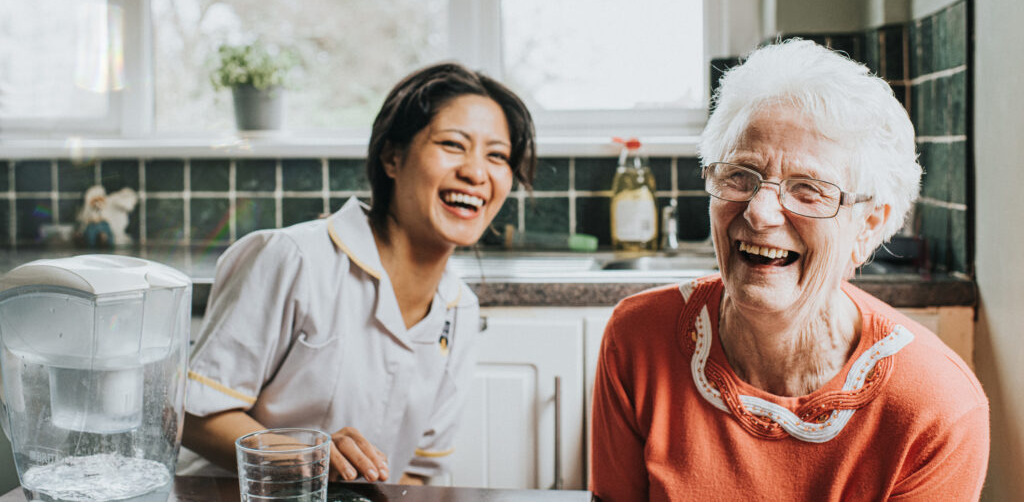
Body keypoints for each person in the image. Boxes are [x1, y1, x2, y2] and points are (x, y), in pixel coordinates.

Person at [590, 40, 989, 501]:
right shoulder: (639, 338)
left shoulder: (936, 406)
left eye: (808, 189)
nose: (760, 213)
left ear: (869, 225)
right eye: (740, 174)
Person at [180, 62, 536, 485]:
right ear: (392, 156)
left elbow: (417, 475)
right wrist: (306, 460)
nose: (477, 173)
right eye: (453, 144)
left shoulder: (460, 311)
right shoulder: (293, 260)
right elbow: (195, 415)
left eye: (497, 155)